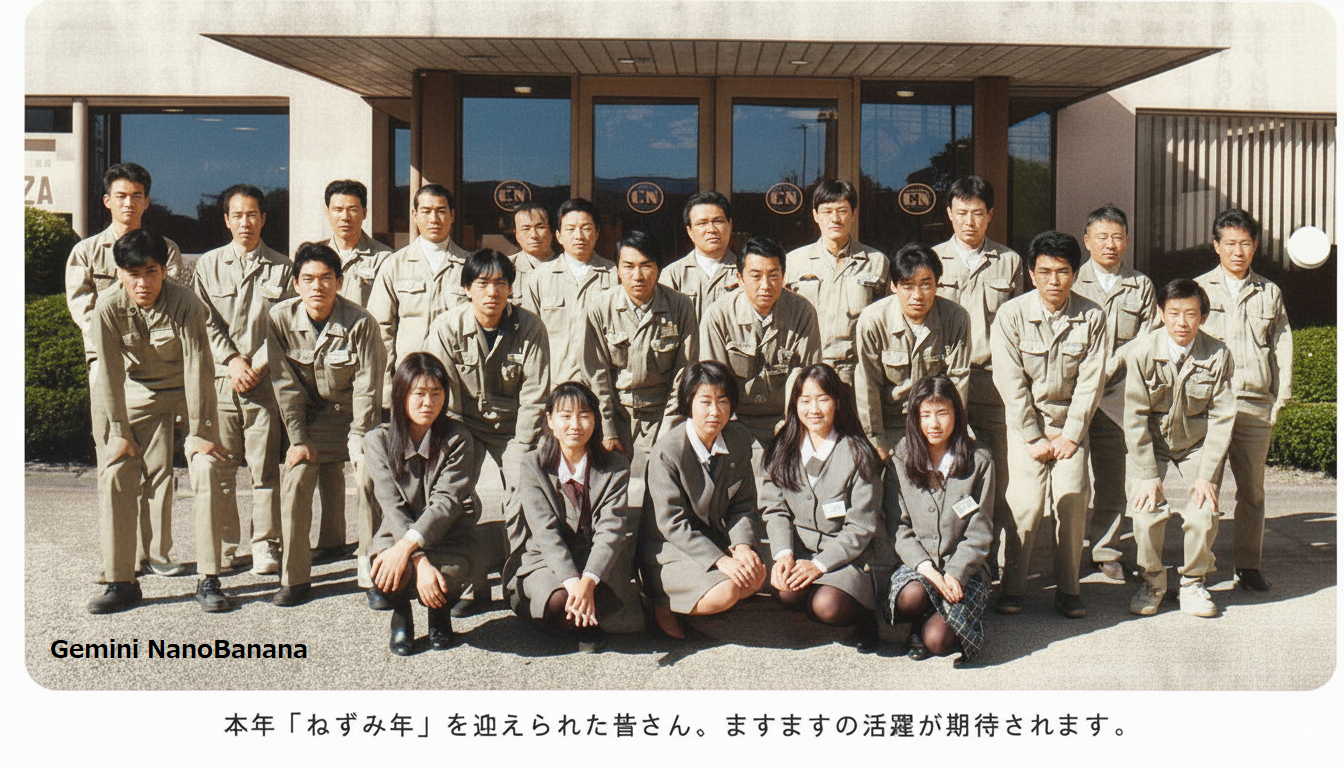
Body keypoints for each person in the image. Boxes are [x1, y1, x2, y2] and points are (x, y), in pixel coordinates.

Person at [87, 229, 229, 613]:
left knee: (206, 468)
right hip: (138, 393)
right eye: (133, 274)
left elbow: (199, 367)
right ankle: (121, 581)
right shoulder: (107, 307)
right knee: (115, 472)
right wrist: (119, 432)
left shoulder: (186, 302)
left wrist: (200, 432)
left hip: (186, 392)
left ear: (165, 271)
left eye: (151, 272)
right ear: (119, 274)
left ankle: (210, 579)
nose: (142, 283)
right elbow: (109, 373)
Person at [65, 162, 186, 576]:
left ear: (147, 201)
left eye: (137, 196)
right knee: (114, 462)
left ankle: (156, 553)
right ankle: (119, 557)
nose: (129, 203)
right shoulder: (86, 252)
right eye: (121, 196)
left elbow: (172, 304)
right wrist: (117, 342)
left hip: (157, 369)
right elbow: (84, 312)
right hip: (107, 366)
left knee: (159, 467)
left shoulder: (166, 250)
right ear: (107, 201)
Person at [426, 249, 552, 617]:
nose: (492, 292)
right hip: (463, 425)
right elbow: (442, 395)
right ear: (467, 288)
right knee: (460, 497)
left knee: (523, 491)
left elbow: (535, 395)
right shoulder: (446, 327)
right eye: (482, 283)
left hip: (516, 429)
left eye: (500, 283)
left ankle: (519, 583)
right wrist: (454, 445)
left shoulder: (530, 327)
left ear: (511, 288)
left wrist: (522, 447)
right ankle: (474, 583)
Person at [990, 230, 1106, 618]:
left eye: (1062, 272)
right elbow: (1009, 381)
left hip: (1071, 426)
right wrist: (1033, 435)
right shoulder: (1011, 315)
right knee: (1024, 506)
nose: (1053, 281)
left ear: (1075, 273)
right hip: (1027, 426)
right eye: (1045, 272)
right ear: (1030, 273)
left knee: (1072, 501)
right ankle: (1013, 586)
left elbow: (1092, 381)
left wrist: (1071, 434)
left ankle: (1069, 589)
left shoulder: (1093, 316)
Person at [267, 243, 386, 606]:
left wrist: (360, 437)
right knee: (296, 476)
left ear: (339, 281)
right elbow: (285, 385)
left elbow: (368, 386)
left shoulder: (361, 322)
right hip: (311, 420)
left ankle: (371, 569)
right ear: (295, 284)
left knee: (368, 474)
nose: (317, 286)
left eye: (325, 278)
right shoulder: (279, 319)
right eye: (308, 279)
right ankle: (295, 578)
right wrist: (298, 439)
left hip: (355, 418)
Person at [192, 184, 294, 575]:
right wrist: (232, 360)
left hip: (264, 384)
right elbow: (204, 320)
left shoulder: (283, 268)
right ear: (226, 220)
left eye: (252, 214)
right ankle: (224, 545)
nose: (245, 222)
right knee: (221, 468)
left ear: (263, 219)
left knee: (264, 470)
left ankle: (266, 545)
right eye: (237, 215)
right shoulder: (208, 265)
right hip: (222, 381)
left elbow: (286, 323)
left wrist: (258, 364)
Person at [1193, 209, 1293, 592]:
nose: (1238, 251)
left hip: (1254, 405)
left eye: (1245, 243)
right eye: (1230, 243)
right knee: (1206, 486)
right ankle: (1197, 569)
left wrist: (1279, 397)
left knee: (1252, 491)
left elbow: (1282, 346)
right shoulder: (1197, 289)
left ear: (1255, 246)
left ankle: (1248, 565)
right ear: (1216, 246)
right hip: (1209, 407)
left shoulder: (1270, 292)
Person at [1124, 279, 1236, 617]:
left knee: (1204, 510)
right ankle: (1152, 582)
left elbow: (1222, 418)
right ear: (1161, 314)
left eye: (1190, 313)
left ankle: (1193, 583)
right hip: (1152, 444)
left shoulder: (1218, 354)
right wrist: (1147, 474)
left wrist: (1207, 475)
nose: (1182, 322)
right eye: (1173, 313)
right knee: (1145, 511)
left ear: (1203, 317)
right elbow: (1134, 417)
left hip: (1196, 444)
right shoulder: (1141, 351)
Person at [761, 363, 888, 652]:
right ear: (795, 405)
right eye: (805, 400)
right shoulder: (782, 447)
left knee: (827, 606)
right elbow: (775, 508)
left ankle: (866, 617)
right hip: (803, 551)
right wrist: (784, 554)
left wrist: (819, 566)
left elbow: (861, 527)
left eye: (822, 399)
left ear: (838, 402)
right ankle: (817, 595)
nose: (814, 409)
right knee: (785, 591)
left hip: (850, 557)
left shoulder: (858, 452)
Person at [511, 381, 645, 651]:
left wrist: (588, 581)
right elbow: (545, 533)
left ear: (595, 420)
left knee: (600, 598)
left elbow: (611, 530)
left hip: (598, 563)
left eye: (584, 415)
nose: (575, 425)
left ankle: (584, 615)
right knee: (557, 603)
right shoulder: (532, 464)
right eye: (565, 416)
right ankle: (578, 615)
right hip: (547, 561)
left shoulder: (616, 465)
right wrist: (575, 584)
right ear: (550, 420)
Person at [933, 174, 1021, 575]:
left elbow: (1018, 324)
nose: (970, 221)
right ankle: (946, 554)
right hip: (943, 382)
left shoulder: (1010, 261)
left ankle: (988, 559)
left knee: (997, 473)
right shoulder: (932, 259)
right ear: (949, 214)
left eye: (978, 213)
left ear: (990, 215)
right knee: (946, 470)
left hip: (992, 380)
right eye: (962, 212)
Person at [639, 360, 764, 639]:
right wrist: (720, 560)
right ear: (688, 403)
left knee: (757, 576)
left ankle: (695, 600)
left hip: (712, 539)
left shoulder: (738, 439)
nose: (715, 412)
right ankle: (661, 603)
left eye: (723, 401)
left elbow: (743, 503)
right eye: (705, 402)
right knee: (727, 591)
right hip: (668, 548)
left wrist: (742, 546)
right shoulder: (667, 451)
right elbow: (672, 524)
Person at [366, 353, 479, 655]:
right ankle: (402, 616)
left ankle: (439, 616)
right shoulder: (377, 441)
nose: (428, 402)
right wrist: (417, 558)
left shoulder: (458, 438)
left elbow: (446, 503)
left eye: (436, 393)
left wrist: (409, 550)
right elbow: (391, 506)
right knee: (387, 572)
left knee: (450, 574)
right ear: (401, 395)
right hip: (397, 530)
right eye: (419, 393)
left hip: (448, 531)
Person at [1074, 205, 1160, 582]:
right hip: (1074, 396)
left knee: (1112, 478)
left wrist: (1114, 362)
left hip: (1117, 397)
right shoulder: (1070, 281)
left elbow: (1149, 337)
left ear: (1127, 241)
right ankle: (1067, 547)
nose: (1109, 244)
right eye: (1102, 237)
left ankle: (1106, 549)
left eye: (1116, 237)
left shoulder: (1141, 285)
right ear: (1087, 241)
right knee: (1072, 480)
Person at [584, 229, 698, 505]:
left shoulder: (680, 306)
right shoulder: (600, 308)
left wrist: (669, 428)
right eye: (629, 266)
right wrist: (607, 429)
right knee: (609, 492)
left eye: (646, 266)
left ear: (658, 268)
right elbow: (596, 375)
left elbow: (684, 373)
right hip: (616, 411)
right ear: (617, 270)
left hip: (662, 412)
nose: (638, 275)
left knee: (661, 491)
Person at [887, 374, 995, 663]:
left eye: (942, 413)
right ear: (915, 418)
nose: (933, 424)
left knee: (937, 641)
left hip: (965, 568)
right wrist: (929, 571)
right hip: (919, 565)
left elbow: (980, 531)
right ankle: (919, 617)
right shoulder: (901, 458)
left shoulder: (979, 461)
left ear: (957, 415)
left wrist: (956, 572)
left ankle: (951, 616)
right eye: (925, 415)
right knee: (909, 596)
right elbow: (898, 527)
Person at [700, 236, 821, 486]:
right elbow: (713, 383)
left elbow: (809, 379)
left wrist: (791, 424)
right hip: (735, 421)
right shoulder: (718, 315)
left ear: (784, 276)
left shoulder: (802, 312)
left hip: (788, 419)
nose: (765, 285)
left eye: (773, 275)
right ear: (739, 278)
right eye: (755, 276)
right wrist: (732, 430)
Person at [855, 242, 971, 461]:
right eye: (908, 286)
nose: (917, 295)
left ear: (937, 284)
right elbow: (867, 385)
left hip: (937, 423)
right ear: (893, 286)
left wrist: (952, 436)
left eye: (926, 285)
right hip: (891, 423)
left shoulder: (956, 317)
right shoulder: (873, 319)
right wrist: (876, 441)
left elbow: (959, 381)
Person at [366, 183, 472, 404]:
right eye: (426, 211)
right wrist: (386, 386)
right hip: (408, 380)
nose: (434, 219)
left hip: (457, 382)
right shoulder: (394, 264)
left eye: (441, 211)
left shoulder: (469, 266)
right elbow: (380, 330)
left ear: (452, 215)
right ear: (414, 215)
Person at [785, 178, 889, 386]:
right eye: (827, 211)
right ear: (815, 215)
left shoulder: (876, 262)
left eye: (842, 211)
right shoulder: (794, 262)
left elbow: (886, 322)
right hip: (806, 370)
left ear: (854, 213)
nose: (835, 218)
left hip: (856, 373)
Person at [519, 197, 618, 384]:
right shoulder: (539, 277)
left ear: (597, 233)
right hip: (554, 385)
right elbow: (527, 338)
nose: (578, 236)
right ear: (558, 236)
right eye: (570, 229)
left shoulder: (614, 275)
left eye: (586, 228)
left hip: (601, 385)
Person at [659, 190, 739, 318]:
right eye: (702, 223)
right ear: (690, 231)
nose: (711, 229)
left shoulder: (746, 272)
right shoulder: (672, 275)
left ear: (730, 225)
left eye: (718, 221)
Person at [320, 179, 393, 307]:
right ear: (327, 212)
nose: (345, 217)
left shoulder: (383, 258)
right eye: (338, 210)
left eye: (352, 210)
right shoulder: (314, 255)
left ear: (364, 213)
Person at [508, 201, 557, 281]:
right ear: (516, 234)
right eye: (526, 229)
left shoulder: (569, 264)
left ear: (552, 231)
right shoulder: (505, 267)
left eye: (540, 227)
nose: (534, 235)